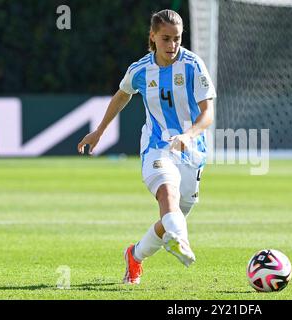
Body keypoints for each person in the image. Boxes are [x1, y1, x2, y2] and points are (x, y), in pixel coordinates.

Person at [77, 9, 216, 285]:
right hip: (156, 147)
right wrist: (100, 131)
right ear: (152, 37)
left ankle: (135, 255)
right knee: (167, 195)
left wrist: (188, 135)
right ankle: (181, 240)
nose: (172, 45)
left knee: (170, 220)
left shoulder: (192, 65)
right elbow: (122, 95)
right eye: (165, 38)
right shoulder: (140, 69)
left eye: (177, 38)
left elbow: (208, 112)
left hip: (191, 151)